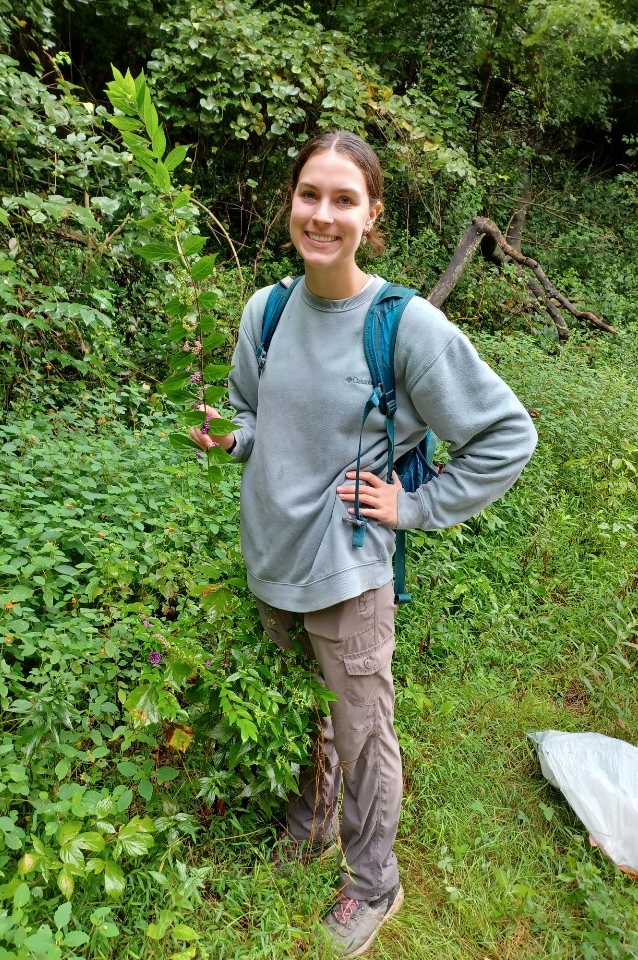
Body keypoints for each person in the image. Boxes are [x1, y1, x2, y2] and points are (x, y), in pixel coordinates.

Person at [190, 130, 538, 958]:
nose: (323, 213)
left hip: (347, 571)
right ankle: (309, 823)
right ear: (291, 206)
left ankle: (373, 881)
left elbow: (505, 435)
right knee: (306, 712)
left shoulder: (404, 325)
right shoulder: (265, 311)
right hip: (270, 560)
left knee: (362, 732)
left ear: (372, 216)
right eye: (310, 194)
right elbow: (251, 415)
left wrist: (414, 505)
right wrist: (231, 440)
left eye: (344, 199)